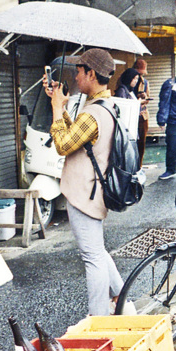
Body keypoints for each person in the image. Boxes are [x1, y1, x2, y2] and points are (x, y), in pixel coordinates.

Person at [43, 47, 125, 316]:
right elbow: (79, 137)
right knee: (97, 251)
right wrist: (62, 107)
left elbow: (63, 145)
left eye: (79, 71)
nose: (76, 77)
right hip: (92, 190)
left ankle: (98, 317)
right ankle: (123, 302)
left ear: (91, 74)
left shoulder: (93, 113)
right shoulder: (103, 106)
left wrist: (57, 108)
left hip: (85, 193)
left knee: (92, 257)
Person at [115, 67, 147, 167]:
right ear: (129, 78)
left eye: (137, 79)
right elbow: (124, 108)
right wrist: (138, 103)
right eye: (134, 78)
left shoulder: (129, 90)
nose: (136, 81)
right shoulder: (122, 90)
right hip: (126, 127)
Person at [133, 58, 151, 165]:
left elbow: (148, 99)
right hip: (132, 114)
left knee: (141, 142)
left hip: (142, 115)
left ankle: (139, 164)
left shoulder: (145, 83)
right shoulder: (126, 80)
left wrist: (145, 97)